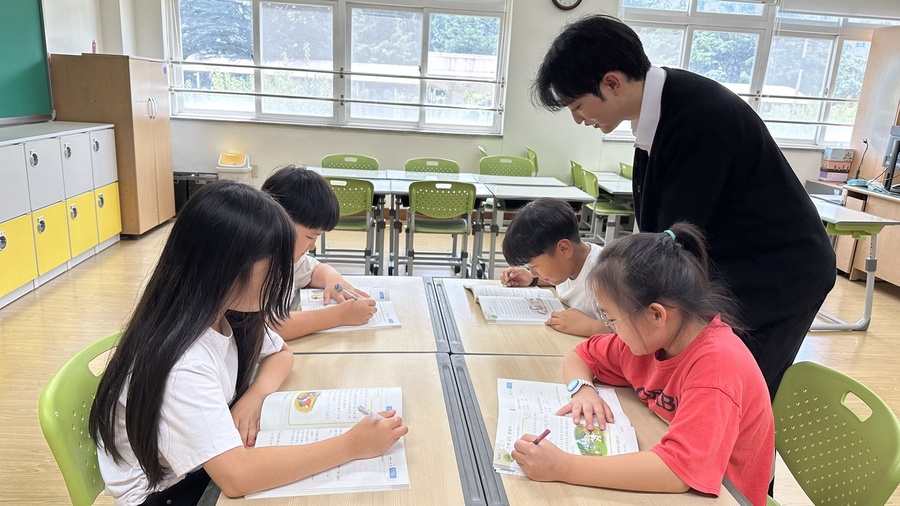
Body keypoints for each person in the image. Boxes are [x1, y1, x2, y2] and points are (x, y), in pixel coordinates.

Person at [531, 14, 835, 399]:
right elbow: (662, 236)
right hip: (732, 261)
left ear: (612, 83)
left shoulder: (700, 119)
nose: (578, 119)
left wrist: (607, 320)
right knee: (683, 380)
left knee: (730, 394)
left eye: (577, 105)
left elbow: (674, 246)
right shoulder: (658, 113)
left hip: (777, 274)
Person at [90, 181, 408, 505]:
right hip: (168, 494)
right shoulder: (182, 364)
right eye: (275, 266)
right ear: (225, 268)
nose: (284, 278)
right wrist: (351, 446)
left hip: (201, 467)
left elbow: (281, 353)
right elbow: (236, 477)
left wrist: (254, 396)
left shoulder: (227, 311)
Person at [511, 224, 774, 505]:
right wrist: (582, 389)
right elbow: (580, 355)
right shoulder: (651, 340)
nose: (609, 328)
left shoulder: (717, 367)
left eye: (612, 318)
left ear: (656, 315)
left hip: (724, 495)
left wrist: (563, 467)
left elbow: (678, 472)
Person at [261, 165, 377, 339]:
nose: (312, 246)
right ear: (279, 224)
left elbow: (315, 270)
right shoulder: (257, 268)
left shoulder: (287, 259)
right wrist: (340, 315)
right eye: (310, 237)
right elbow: (269, 327)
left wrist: (334, 281)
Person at [500, 198, 608, 337]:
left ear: (564, 249)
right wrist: (533, 280)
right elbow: (573, 282)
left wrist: (593, 328)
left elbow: (639, 333)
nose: (533, 272)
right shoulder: (572, 262)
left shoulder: (606, 277)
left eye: (535, 266)